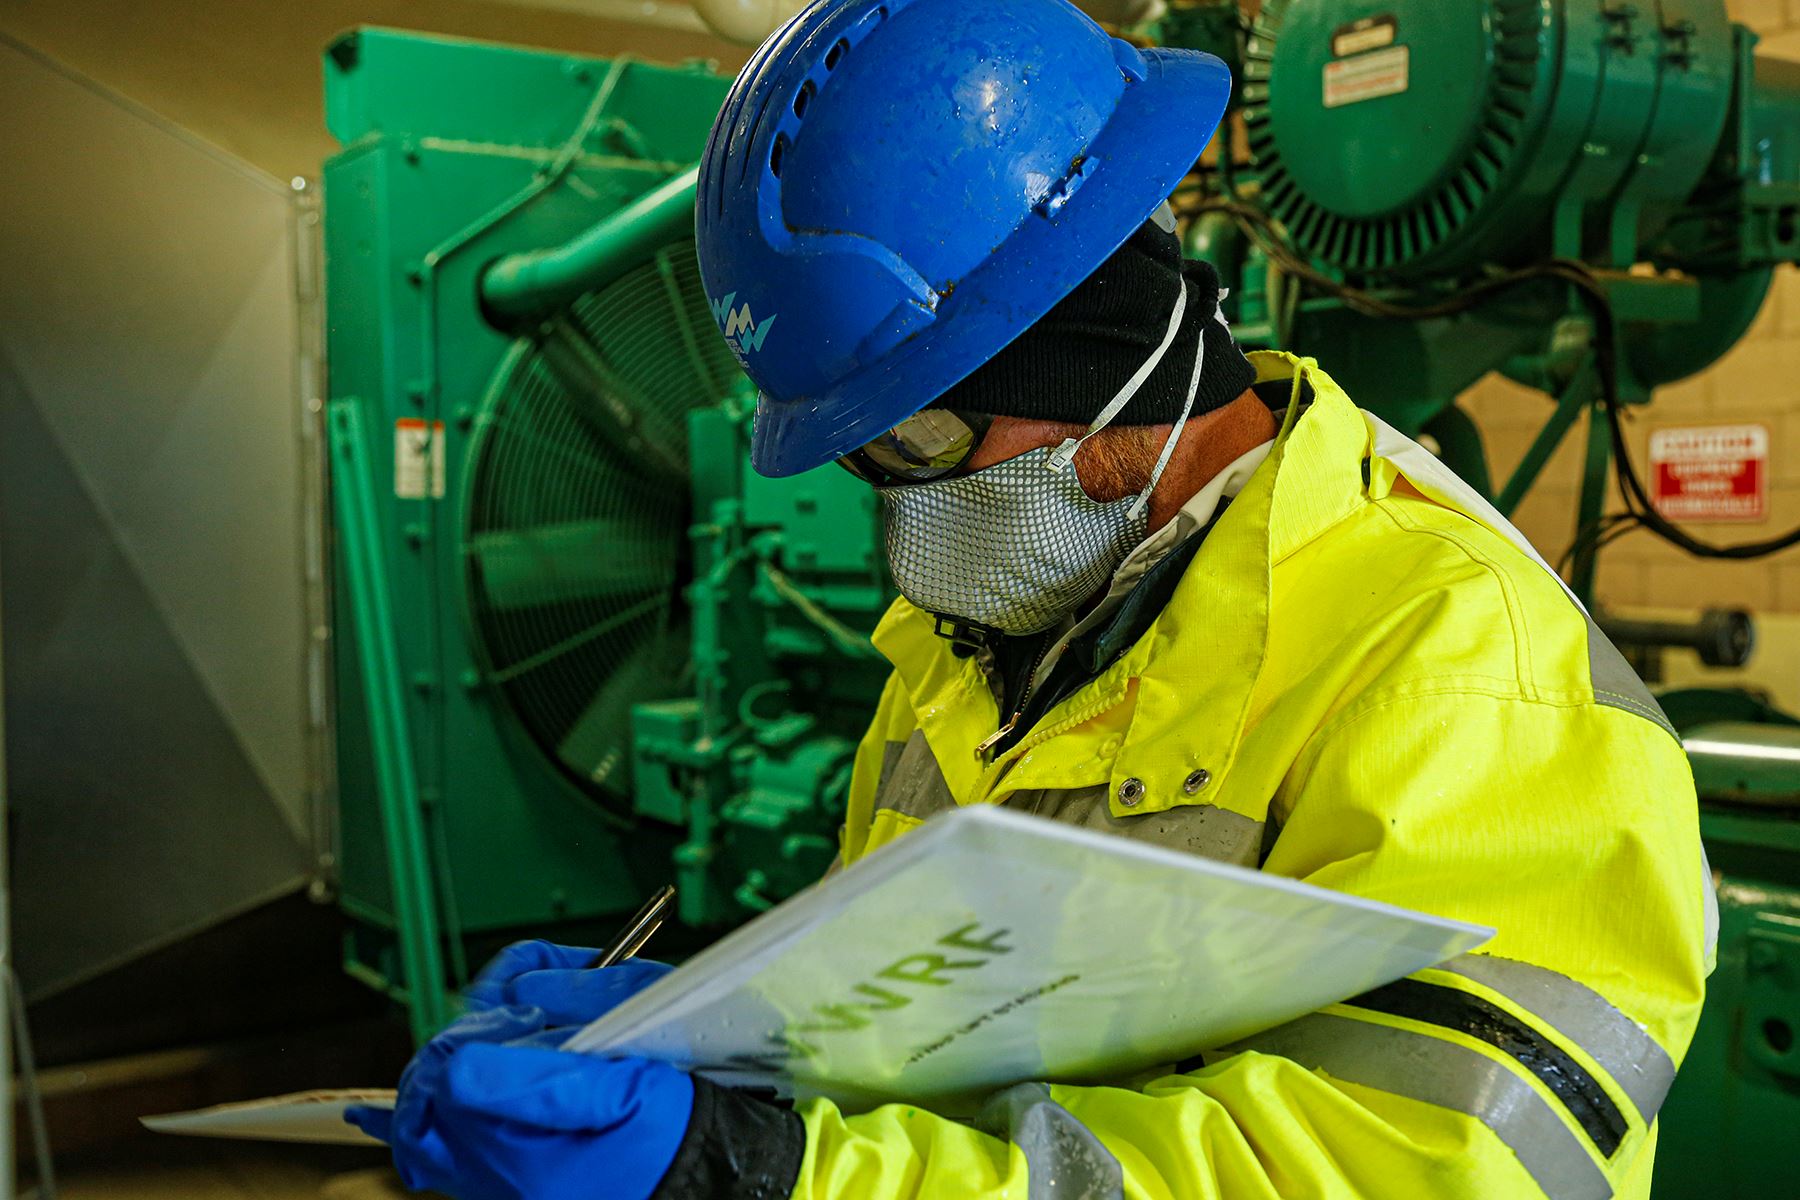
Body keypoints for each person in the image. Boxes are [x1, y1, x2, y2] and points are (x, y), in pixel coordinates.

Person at [349, 0, 1715, 1196]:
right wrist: (717, 1045)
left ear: (1102, 377)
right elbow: (927, 1028)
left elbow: (1417, 1173)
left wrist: (768, 1173)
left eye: (920, 444)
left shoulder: (1465, 672)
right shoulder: (964, 650)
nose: (902, 514)